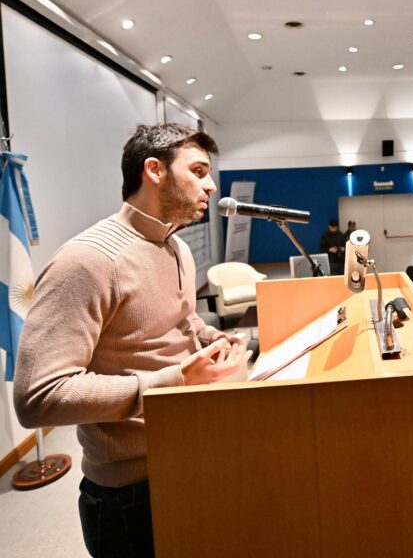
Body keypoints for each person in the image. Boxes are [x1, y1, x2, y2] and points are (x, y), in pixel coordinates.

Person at [13, 123, 251, 557]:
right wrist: (175, 380)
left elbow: (183, 322)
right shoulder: (87, 261)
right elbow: (38, 396)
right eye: (198, 171)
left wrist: (216, 338)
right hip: (130, 496)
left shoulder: (175, 246)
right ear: (154, 170)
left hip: (189, 454)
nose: (211, 185)